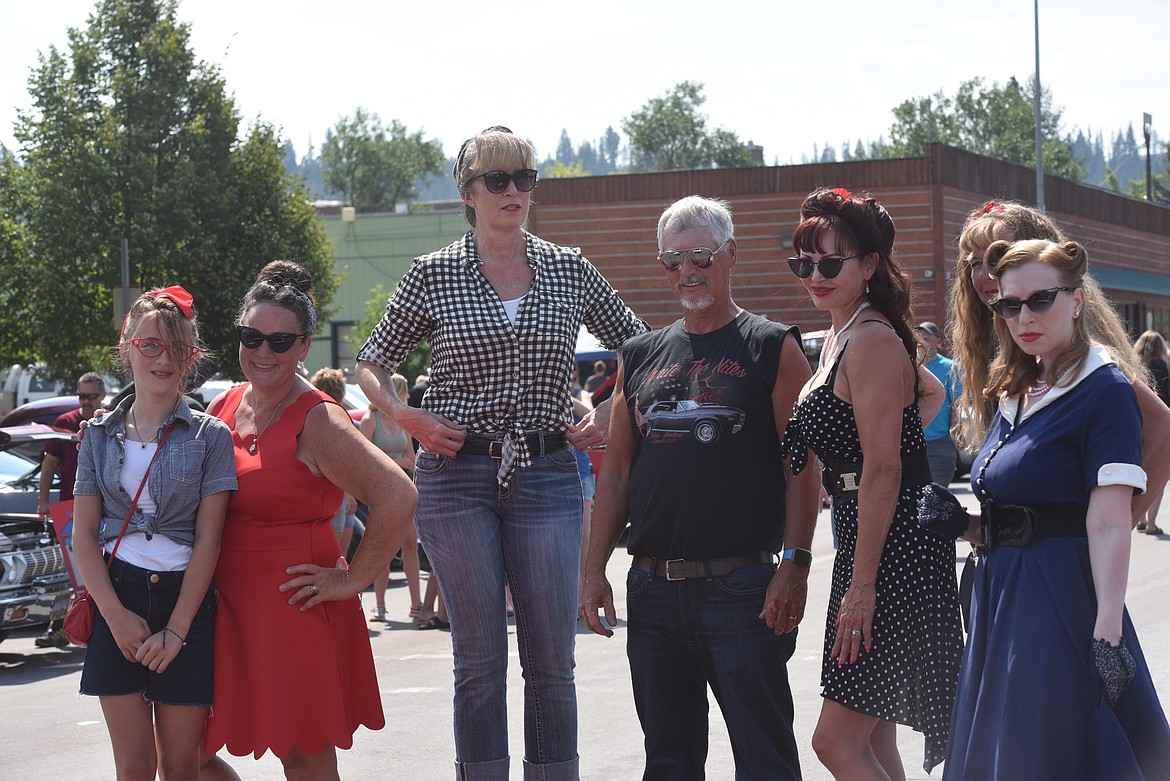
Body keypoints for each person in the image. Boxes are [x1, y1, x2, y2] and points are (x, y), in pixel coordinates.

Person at [355, 125, 645, 780]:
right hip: (455, 474)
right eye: (497, 179)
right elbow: (371, 360)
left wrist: (611, 406)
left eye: (524, 178)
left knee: (551, 657)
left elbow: (642, 344)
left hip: (546, 470)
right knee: (479, 658)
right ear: (468, 193)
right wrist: (406, 415)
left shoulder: (568, 266)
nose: (513, 190)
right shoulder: (434, 272)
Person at [581, 196, 820, 779]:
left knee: (763, 755)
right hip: (654, 588)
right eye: (672, 260)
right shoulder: (637, 355)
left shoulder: (772, 347)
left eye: (700, 256)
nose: (687, 271)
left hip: (742, 587)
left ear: (729, 254)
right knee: (667, 759)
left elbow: (804, 466)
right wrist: (591, 572)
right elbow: (614, 472)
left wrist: (796, 562)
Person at [942, 239, 1170, 779]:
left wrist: (1107, 629)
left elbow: (1109, 517)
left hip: (1059, 598)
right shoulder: (1016, 385)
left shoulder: (1103, 387)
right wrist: (967, 524)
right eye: (1009, 304)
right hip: (1000, 595)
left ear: (1076, 301)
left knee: (1047, 753)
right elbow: (1028, 502)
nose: (1023, 317)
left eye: (1040, 299)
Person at [200, 261, 417, 781]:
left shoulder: (319, 418)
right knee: (187, 752)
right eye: (251, 336)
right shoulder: (224, 405)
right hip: (223, 607)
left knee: (303, 758)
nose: (263, 350)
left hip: (294, 606)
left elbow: (397, 495)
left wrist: (353, 579)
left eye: (280, 341)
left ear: (304, 347)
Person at [780, 187, 962, 778]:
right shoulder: (846, 330)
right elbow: (929, 394)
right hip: (870, 537)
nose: (815, 275)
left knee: (836, 742)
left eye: (830, 263)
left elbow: (886, 468)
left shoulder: (873, 338)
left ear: (868, 265)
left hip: (890, 553)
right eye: (803, 263)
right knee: (874, 737)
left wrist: (862, 586)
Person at [71, 286, 236, 781]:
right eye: (150, 345)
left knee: (180, 767)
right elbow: (82, 537)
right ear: (127, 351)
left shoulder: (212, 437)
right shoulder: (97, 435)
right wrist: (116, 617)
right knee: (134, 768)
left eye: (177, 348)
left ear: (191, 357)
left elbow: (209, 540)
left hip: (185, 605)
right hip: (116, 596)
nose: (163, 359)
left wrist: (178, 629)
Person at [949, 200, 1170, 527]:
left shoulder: (1086, 358)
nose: (986, 272)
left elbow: (1164, 429)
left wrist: (1121, 521)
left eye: (999, 255)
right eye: (974, 261)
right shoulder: (1009, 347)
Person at [35, 370, 106, 647]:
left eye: (91, 396)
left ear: (102, 395)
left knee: (102, 569)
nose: (86, 401)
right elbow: (48, 466)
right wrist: (43, 502)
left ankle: (96, 622)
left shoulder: (108, 420)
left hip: (105, 510)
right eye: (81, 396)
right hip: (69, 510)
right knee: (72, 572)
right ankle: (64, 626)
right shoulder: (64, 423)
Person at [359, 373, 421, 623]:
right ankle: (381, 605)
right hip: (381, 491)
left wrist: (419, 481)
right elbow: (363, 457)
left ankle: (416, 604)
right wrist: (398, 462)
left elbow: (412, 457)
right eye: (403, 392)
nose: (406, 397)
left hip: (404, 488)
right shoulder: (369, 420)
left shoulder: (401, 420)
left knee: (411, 546)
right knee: (383, 549)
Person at [309, 367, 361, 553]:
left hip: (337, 497)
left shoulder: (317, 419)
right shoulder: (333, 421)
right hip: (335, 496)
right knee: (337, 556)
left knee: (337, 555)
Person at [915, 322, 963, 486]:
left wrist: (955, 431)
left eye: (927, 338)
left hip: (940, 442)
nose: (922, 341)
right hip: (913, 442)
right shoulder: (909, 365)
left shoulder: (951, 368)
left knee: (936, 495)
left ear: (938, 341)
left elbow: (956, 403)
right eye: (919, 338)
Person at [1134, 330, 1170, 535]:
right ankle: (1151, 524)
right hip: (1159, 425)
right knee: (1158, 475)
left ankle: (1139, 518)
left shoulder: (1132, 365)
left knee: (1138, 474)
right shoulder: (1164, 366)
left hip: (1136, 424)